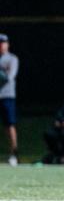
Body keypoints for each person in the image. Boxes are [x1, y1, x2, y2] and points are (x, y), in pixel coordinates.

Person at [0, 34, 19, 166]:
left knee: (9, 125)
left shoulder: (12, 59)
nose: (1, 45)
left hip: (7, 96)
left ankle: (14, 154)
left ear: (7, 44)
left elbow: (9, 77)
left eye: (3, 42)